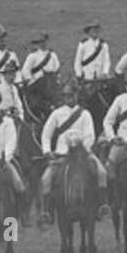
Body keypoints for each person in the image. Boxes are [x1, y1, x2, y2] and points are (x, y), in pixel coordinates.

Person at [38, 79, 99, 221]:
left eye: (71, 95)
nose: (69, 98)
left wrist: (84, 150)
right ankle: (46, 211)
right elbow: (46, 133)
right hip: (61, 155)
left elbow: (90, 135)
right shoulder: (56, 114)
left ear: (77, 96)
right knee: (45, 178)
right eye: (66, 96)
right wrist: (47, 151)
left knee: (100, 172)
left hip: (81, 155)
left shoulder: (85, 114)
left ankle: (99, 206)